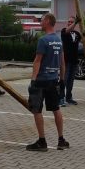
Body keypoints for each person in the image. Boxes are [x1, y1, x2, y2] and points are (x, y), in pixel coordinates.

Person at [26, 13, 69, 151]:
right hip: (53, 80)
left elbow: (37, 61)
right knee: (56, 109)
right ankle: (61, 140)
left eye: (43, 19)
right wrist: (62, 80)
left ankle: (42, 142)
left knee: (37, 110)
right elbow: (62, 63)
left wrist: (33, 80)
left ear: (49, 21)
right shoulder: (58, 40)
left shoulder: (43, 40)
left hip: (41, 80)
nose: (41, 21)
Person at [59, 16, 82, 106]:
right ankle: (61, 98)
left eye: (71, 22)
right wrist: (75, 22)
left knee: (71, 81)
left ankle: (69, 98)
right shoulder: (64, 31)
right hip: (66, 60)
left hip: (74, 60)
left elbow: (83, 41)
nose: (70, 23)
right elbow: (68, 30)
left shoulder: (77, 33)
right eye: (69, 21)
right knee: (64, 79)